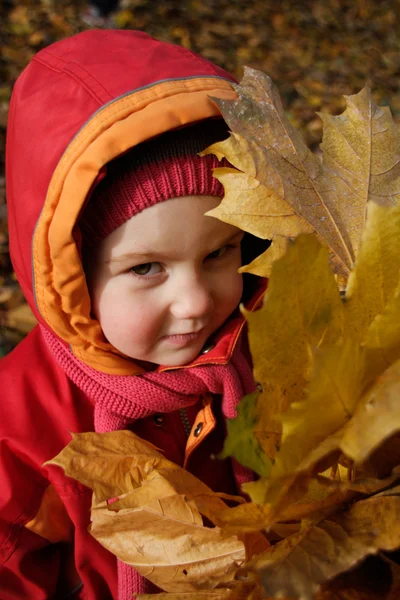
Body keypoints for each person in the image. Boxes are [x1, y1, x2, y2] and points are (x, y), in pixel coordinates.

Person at [0, 29, 267, 599]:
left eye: (219, 252)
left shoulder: (269, 345)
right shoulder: (24, 423)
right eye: (147, 269)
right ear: (70, 276)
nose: (196, 302)